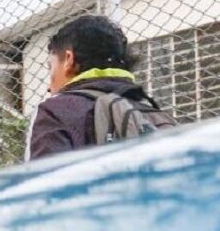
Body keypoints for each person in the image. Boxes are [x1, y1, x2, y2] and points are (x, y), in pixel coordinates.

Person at [27, 15, 172, 160]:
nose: (49, 87)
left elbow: (45, 178)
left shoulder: (55, 111)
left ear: (68, 60)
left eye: (51, 67)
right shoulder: (155, 113)